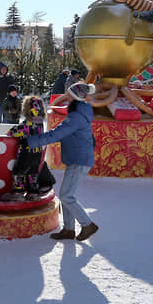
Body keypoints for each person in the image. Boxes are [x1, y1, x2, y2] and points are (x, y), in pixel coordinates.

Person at [27, 82, 98, 242]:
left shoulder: (76, 117)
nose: (65, 96)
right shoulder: (80, 112)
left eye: (68, 94)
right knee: (67, 195)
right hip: (77, 158)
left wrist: (30, 142)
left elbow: (56, 134)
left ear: (75, 97)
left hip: (79, 160)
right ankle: (68, 229)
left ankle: (88, 225)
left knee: (66, 196)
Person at [6, 96, 47, 198]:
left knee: (19, 171)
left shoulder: (26, 124)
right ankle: (33, 192)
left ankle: (18, 193)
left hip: (26, 153)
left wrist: (11, 131)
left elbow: (12, 132)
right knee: (32, 173)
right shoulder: (40, 123)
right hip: (37, 153)